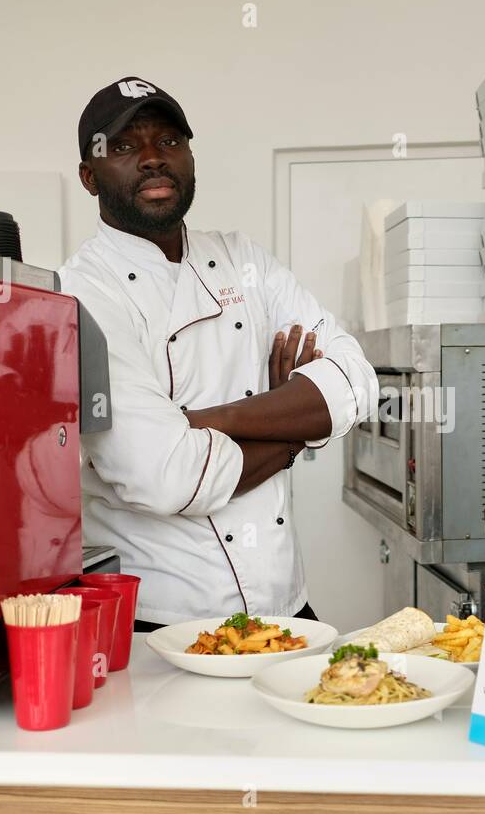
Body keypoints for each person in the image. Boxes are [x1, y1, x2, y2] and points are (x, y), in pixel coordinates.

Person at [58, 77, 376, 628]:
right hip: (162, 618)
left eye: (170, 141)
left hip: (286, 605)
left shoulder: (240, 257)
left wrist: (208, 421)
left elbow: (356, 382)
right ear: (90, 176)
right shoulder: (81, 293)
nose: (155, 158)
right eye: (126, 146)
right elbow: (168, 474)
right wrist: (292, 418)